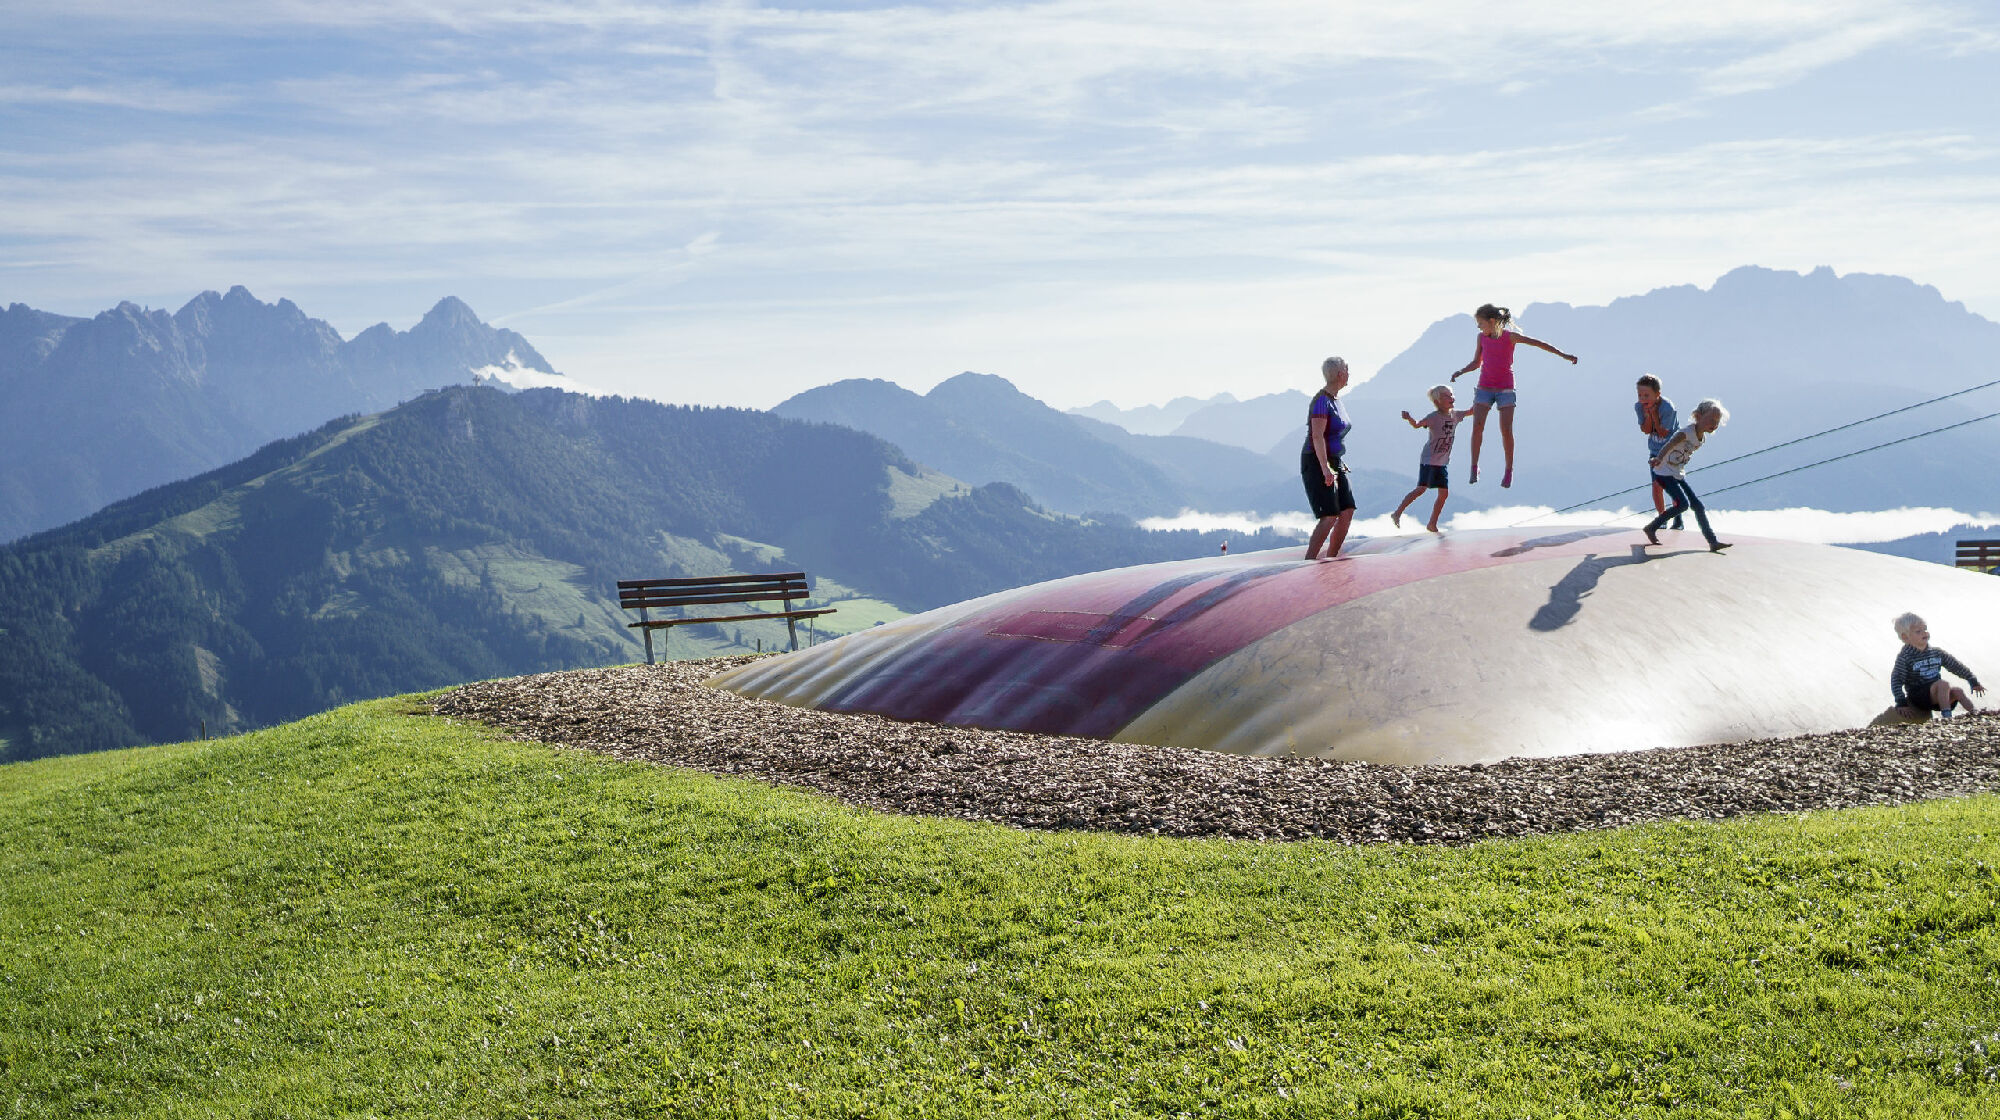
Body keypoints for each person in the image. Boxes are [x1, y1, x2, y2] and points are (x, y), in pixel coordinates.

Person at [1448, 303, 1577, 488]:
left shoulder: (1510, 337)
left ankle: (1509, 470)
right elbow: (1477, 363)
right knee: (1477, 427)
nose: (1479, 328)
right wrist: (1461, 372)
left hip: (1505, 389)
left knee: (1506, 430)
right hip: (1484, 387)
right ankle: (1474, 467)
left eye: (1481, 324)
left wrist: (1563, 355)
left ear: (1492, 322)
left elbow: (1539, 344)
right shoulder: (1481, 338)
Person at [1641, 398, 1730, 552]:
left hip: (1676, 473)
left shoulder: (1702, 438)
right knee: (1683, 504)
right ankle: (1652, 527)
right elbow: (1669, 444)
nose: (1714, 424)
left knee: (1698, 506)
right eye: (1711, 419)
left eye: (1717, 421)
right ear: (1698, 416)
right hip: (1664, 472)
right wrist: (1658, 458)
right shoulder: (1686, 433)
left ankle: (1713, 542)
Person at [1392, 385, 1474, 532]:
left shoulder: (1455, 415)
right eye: (1447, 396)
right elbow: (1417, 425)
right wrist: (1409, 418)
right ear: (1437, 402)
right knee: (1421, 489)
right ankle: (1397, 513)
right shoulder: (1433, 417)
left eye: (1451, 395)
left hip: (1442, 462)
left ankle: (1432, 524)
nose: (1451, 398)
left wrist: (1482, 397)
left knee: (1444, 493)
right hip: (1429, 460)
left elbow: (1472, 411)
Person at [1302, 357, 1357, 560]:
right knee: (1329, 515)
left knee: (1347, 510)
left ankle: (1332, 558)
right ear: (1340, 374)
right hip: (1316, 460)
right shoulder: (1321, 401)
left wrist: (1336, 460)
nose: (1349, 373)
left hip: (1335, 460)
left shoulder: (1336, 400)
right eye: (1347, 369)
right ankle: (1309, 560)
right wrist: (1325, 467)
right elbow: (1317, 436)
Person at [1890, 613, 1986, 718]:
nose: (1924, 633)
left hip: (1938, 696)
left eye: (1925, 629)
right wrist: (1901, 702)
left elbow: (1956, 666)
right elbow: (1896, 680)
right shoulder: (1905, 657)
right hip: (1918, 696)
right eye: (1918, 631)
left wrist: (1972, 680)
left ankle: (1976, 714)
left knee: (1958, 691)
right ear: (1905, 637)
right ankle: (1947, 717)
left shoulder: (1936, 653)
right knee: (1942, 684)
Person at [1635, 374, 1682, 530]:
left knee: (1671, 485)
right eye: (1640, 395)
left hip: (1672, 450)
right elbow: (1646, 430)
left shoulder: (1668, 408)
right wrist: (1648, 414)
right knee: (1656, 485)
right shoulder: (1639, 407)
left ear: (1657, 395)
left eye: (1647, 395)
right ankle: (1662, 517)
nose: (1643, 399)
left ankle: (1677, 517)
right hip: (1655, 450)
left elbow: (1663, 433)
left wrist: (1655, 414)